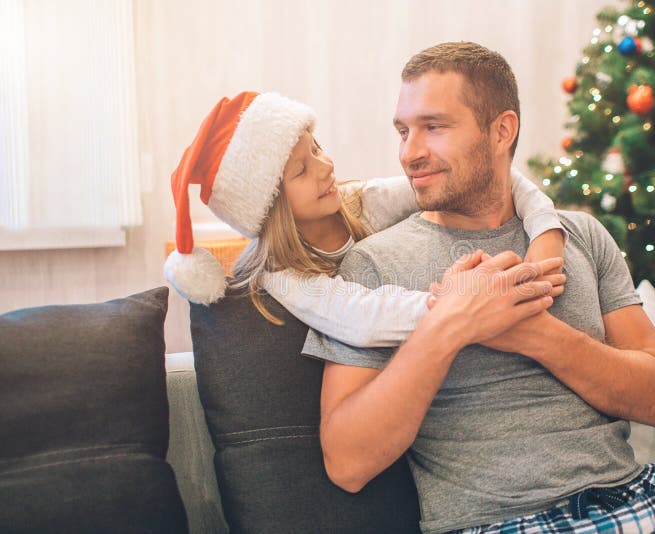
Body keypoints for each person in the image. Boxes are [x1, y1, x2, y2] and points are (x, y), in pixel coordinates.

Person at [302, 42, 655, 533]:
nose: (410, 152)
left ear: (502, 131)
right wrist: (450, 325)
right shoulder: (374, 264)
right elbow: (347, 464)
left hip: (653, 505)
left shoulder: (580, 236)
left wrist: (526, 331)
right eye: (404, 131)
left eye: (434, 127)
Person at [163, 91, 565, 349]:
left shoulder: (359, 201)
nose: (324, 168)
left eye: (317, 149)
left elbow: (479, 177)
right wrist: (463, 303)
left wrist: (545, 227)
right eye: (302, 171)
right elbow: (363, 318)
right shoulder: (282, 275)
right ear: (271, 211)